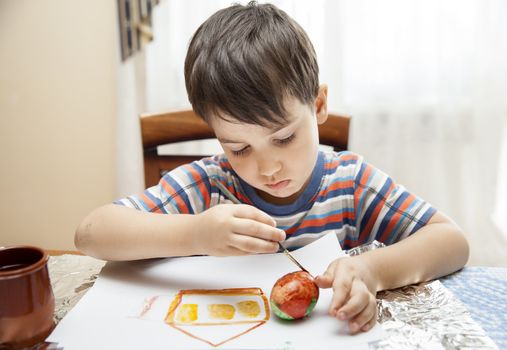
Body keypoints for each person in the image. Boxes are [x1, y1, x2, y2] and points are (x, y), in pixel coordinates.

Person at [75, 1, 469, 335]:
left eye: (283, 138)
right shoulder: (208, 187)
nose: (267, 167)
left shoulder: (349, 183)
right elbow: (90, 234)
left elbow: (451, 242)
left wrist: (371, 270)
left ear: (317, 106)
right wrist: (195, 234)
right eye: (239, 147)